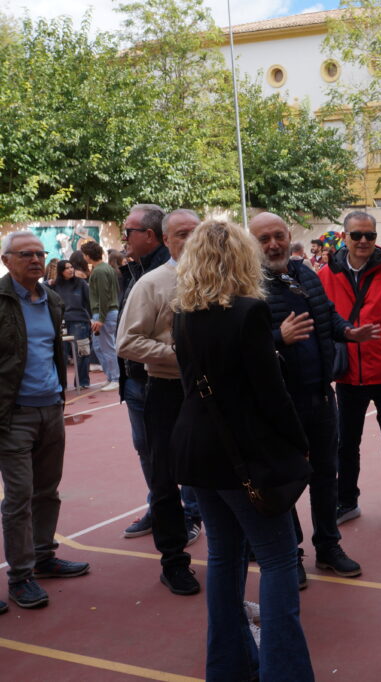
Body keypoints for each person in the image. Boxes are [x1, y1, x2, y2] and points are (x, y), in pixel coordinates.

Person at [171, 217, 314, 681]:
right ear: (240, 258)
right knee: (276, 561)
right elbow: (271, 394)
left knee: (224, 558)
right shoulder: (248, 311)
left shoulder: (184, 315)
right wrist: (300, 445)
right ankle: (284, 672)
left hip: (197, 452)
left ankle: (228, 667)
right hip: (241, 454)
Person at [250, 212, 379, 582]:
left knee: (326, 475)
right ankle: (289, 553)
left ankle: (328, 546)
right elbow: (241, 344)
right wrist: (278, 337)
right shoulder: (246, 285)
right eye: (264, 239)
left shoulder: (304, 273)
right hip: (280, 405)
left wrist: (349, 333)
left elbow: (326, 317)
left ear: (289, 236)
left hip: (321, 397)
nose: (273, 244)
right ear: (252, 244)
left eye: (278, 236)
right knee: (286, 480)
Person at [0, 231, 91, 612]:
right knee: (19, 497)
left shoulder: (50, 299)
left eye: (40, 253)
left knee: (47, 491)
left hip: (51, 408)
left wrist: (61, 398)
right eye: (26, 254)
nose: (36, 260)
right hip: (13, 415)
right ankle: (21, 577)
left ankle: (43, 556)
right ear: (7, 261)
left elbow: (54, 352)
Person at [117, 208, 203, 596]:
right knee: (166, 482)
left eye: (194, 232)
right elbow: (127, 343)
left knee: (221, 475)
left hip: (214, 393)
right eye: (180, 233)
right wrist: (182, 354)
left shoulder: (224, 279)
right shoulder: (152, 284)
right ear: (165, 239)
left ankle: (235, 549)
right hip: (168, 393)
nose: (188, 239)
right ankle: (174, 562)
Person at [320, 211, 381, 529]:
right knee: (346, 444)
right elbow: (321, 326)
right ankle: (347, 501)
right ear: (344, 237)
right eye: (357, 235)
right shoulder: (325, 275)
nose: (363, 241)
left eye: (370, 235)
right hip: (349, 376)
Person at [117, 204, 171, 539]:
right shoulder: (133, 270)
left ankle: (189, 514)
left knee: (179, 450)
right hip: (135, 380)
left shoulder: (168, 273)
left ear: (149, 236)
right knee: (146, 447)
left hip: (164, 378)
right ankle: (161, 508)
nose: (124, 238)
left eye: (128, 232)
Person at [81, 241, 121, 391]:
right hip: (106, 312)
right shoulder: (106, 269)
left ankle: (115, 378)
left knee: (106, 347)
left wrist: (101, 319)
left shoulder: (99, 271)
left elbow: (104, 296)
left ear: (87, 255)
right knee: (100, 347)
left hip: (105, 313)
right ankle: (111, 376)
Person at [52, 260, 92, 389]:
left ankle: (82, 382)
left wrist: (92, 319)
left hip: (80, 321)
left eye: (71, 267)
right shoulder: (54, 285)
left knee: (82, 352)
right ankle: (61, 383)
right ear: (60, 271)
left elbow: (89, 302)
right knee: (61, 354)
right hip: (61, 322)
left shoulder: (81, 283)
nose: (70, 270)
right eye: (66, 268)